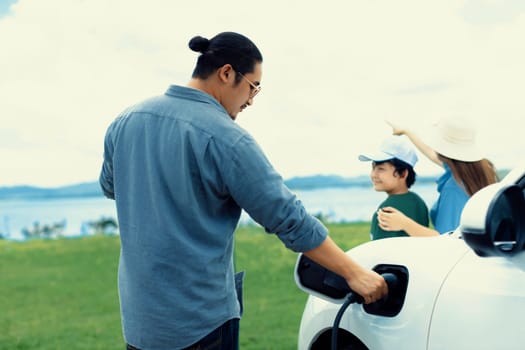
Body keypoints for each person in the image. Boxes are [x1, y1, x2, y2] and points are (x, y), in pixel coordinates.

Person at [99, 32, 387, 350]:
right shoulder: (227, 138)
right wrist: (354, 274)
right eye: (253, 87)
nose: (251, 100)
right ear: (226, 73)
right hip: (201, 325)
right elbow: (289, 218)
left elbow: (111, 187)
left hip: (141, 323)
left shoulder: (125, 121)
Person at [378, 118, 498, 236]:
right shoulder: (478, 170)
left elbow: (445, 240)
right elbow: (431, 154)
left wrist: (404, 223)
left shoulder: (453, 189)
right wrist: (407, 132)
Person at [359, 136, 430, 240]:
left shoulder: (387, 211)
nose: (373, 175)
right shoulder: (418, 201)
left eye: (381, 169)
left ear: (403, 173)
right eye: (373, 168)